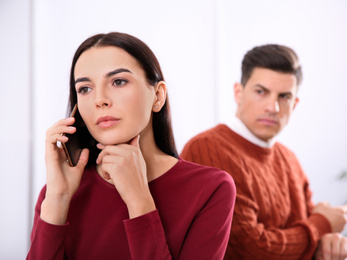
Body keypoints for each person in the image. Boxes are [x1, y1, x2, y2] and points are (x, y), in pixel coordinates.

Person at [27, 32, 236, 260]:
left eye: (118, 81)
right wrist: (58, 199)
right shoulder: (57, 193)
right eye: (85, 89)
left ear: (157, 96)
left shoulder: (211, 189)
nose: (100, 100)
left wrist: (139, 201)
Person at [180, 44, 347, 260]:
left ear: (295, 104)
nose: (273, 107)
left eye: (284, 97)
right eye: (261, 92)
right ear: (238, 92)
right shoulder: (206, 149)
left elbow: (307, 229)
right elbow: (250, 250)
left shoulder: (289, 159)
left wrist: (326, 241)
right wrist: (322, 226)